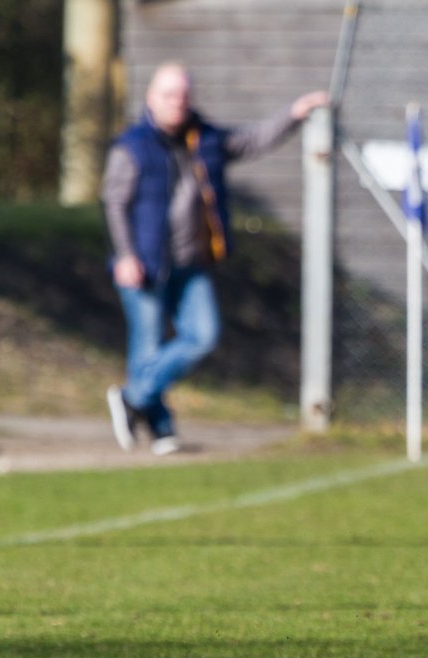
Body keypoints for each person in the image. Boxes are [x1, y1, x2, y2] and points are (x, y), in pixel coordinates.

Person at [101, 62, 328, 455]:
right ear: (152, 99)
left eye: (183, 95)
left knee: (203, 336)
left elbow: (253, 139)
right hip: (146, 265)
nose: (178, 103)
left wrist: (294, 115)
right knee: (148, 347)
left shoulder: (204, 138)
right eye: (169, 95)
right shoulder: (132, 146)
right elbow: (114, 203)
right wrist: (126, 256)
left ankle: (133, 398)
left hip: (193, 262)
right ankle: (161, 428)